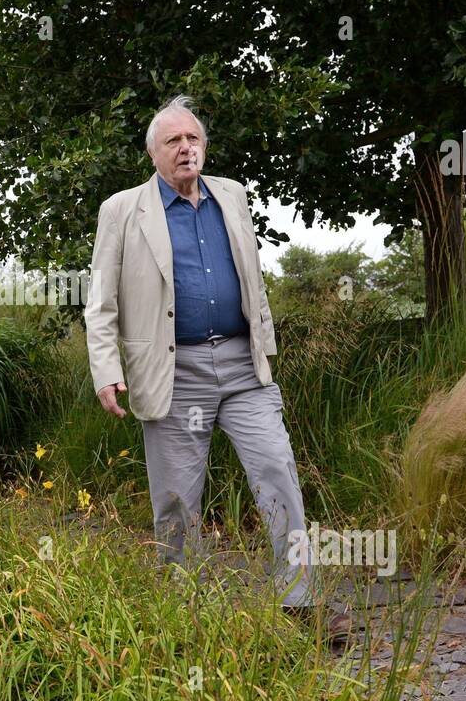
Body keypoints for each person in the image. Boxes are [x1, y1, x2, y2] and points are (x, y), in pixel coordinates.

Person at [83, 94, 321, 608]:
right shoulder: (122, 210)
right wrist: (105, 368)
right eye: (173, 140)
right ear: (153, 153)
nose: (185, 148)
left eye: (193, 138)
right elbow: (100, 301)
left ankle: (299, 601)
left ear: (204, 146)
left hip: (242, 367)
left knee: (278, 472)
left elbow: (250, 277)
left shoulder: (232, 195)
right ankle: (181, 608)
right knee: (175, 502)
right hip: (173, 373)